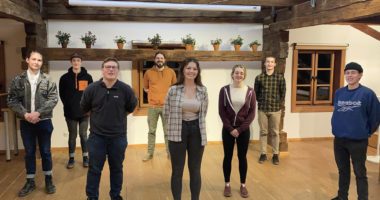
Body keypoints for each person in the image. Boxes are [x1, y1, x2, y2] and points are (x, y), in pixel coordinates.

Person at [81, 57, 137, 200]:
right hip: (96, 137)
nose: (111, 69)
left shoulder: (126, 89)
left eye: (114, 67)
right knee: (94, 169)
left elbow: (131, 107)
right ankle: (92, 197)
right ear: (102, 69)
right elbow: (84, 108)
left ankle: (115, 195)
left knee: (117, 169)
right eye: (108, 67)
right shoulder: (91, 89)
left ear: (117, 70)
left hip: (118, 137)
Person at [7, 50, 58, 197]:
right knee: (29, 152)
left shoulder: (48, 79)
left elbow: (53, 99)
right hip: (26, 122)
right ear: (27, 60)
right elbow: (12, 100)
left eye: (39, 60)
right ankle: (30, 181)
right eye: (34, 59)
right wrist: (25, 114)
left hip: (44, 121)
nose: (36, 62)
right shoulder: (18, 80)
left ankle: (49, 179)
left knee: (46, 151)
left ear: (42, 63)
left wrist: (38, 113)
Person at [331, 62, 380, 200]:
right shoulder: (339, 92)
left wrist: (366, 132)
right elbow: (337, 112)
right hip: (339, 140)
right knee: (343, 170)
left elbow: (376, 116)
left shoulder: (368, 94)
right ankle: (342, 196)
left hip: (358, 141)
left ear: (360, 75)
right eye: (347, 73)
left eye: (353, 72)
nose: (350, 75)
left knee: (360, 172)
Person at [163, 58, 208, 200]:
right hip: (177, 131)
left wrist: (193, 124)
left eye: (194, 69)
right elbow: (166, 111)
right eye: (188, 68)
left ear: (198, 72)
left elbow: (204, 112)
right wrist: (173, 126)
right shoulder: (173, 90)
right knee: (177, 171)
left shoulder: (202, 90)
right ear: (183, 70)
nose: (191, 71)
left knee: (195, 170)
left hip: (197, 131)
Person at [218, 65, 256, 198]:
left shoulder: (250, 91)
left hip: (243, 130)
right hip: (228, 129)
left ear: (244, 75)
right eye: (236, 73)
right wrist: (230, 129)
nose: (239, 75)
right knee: (227, 157)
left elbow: (251, 114)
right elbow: (222, 111)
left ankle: (243, 185)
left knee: (242, 157)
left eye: (241, 73)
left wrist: (239, 129)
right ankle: (227, 184)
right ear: (232, 74)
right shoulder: (224, 90)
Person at [59, 53, 93, 169]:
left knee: (83, 135)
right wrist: (68, 106)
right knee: (72, 136)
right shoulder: (64, 78)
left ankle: (85, 158)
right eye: (74, 60)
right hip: (70, 113)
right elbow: (62, 95)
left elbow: (91, 94)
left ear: (81, 62)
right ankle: (71, 158)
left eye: (78, 60)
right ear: (71, 62)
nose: (76, 62)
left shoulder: (88, 77)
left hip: (84, 113)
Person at [142, 52, 177, 161]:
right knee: (151, 131)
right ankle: (149, 153)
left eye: (161, 58)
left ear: (165, 60)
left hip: (167, 107)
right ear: (154, 59)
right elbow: (145, 88)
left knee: (167, 132)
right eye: (157, 58)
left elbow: (174, 88)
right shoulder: (148, 72)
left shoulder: (171, 72)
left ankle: (170, 153)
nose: (159, 59)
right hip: (152, 107)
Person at [254, 56, 286, 165]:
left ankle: (275, 154)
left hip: (275, 109)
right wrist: (262, 101)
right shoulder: (259, 78)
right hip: (262, 109)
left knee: (275, 133)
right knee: (263, 132)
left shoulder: (280, 78)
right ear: (265, 64)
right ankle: (263, 154)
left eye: (272, 62)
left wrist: (277, 103)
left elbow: (283, 93)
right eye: (268, 62)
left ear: (275, 64)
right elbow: (256, 93)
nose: (269, 64)